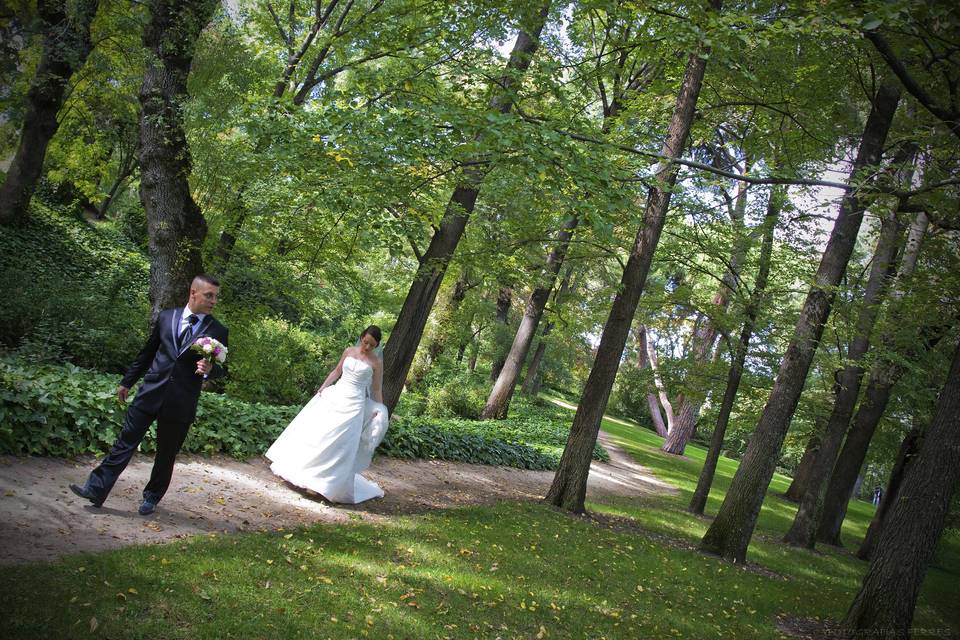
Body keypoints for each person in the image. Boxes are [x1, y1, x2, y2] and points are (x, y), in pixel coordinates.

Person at [69, 274, 228, 515]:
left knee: (166, 454)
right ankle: (96, 489)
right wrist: (127, 381)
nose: (213, 301)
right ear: (193, 293)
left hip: (181, 401)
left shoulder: (217, 330)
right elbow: (147, 353)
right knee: (124, 444)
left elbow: (222, 369)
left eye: (216, 297)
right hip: (150, 392)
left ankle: (152, 497)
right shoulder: (167, 317)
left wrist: (210, 370)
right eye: (209, 295)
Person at [266, 325, 389, 504]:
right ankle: (306, 474)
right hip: (337, 395)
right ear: (361, 337)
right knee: (320, 435)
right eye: (365, 342)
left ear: (377, 346)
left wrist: (381, 409)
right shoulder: (349, 351)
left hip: (354, 405)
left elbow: (376, 388)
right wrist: (324, 386)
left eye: (372, 345)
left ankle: (326, 485)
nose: (367, 347)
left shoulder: (376, 363)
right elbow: (337, 371)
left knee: (340, 443)